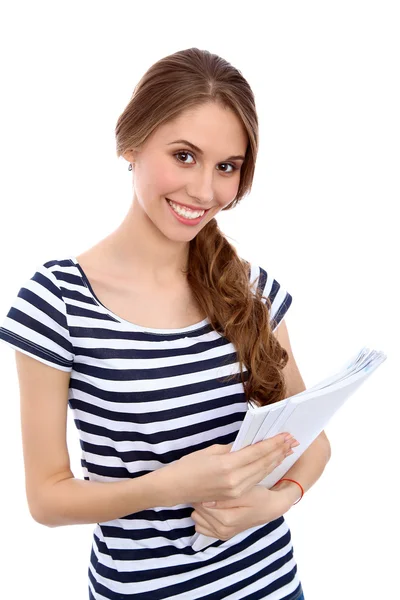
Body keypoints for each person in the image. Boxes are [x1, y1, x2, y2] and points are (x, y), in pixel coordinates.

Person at [0, 47, 331, 600]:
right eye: (184, 156)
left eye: (226, 167)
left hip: (273, 586)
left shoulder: (250, 290)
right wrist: (169, 486)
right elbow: (47, 498)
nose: (204, 191)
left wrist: (279, 499)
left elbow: (312, 438)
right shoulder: (56, 299)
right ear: (131, 143)